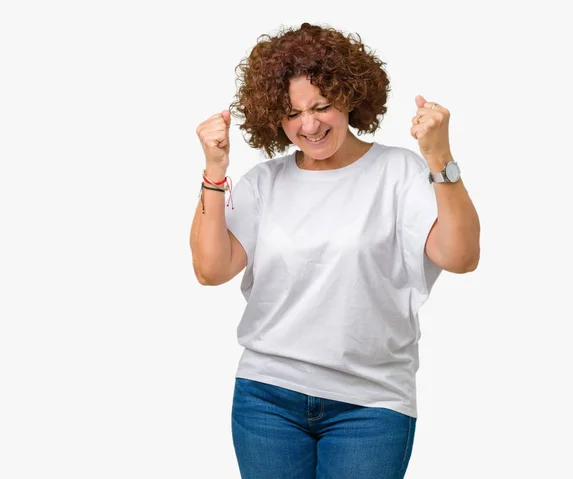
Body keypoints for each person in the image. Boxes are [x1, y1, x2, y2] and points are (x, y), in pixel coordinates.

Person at [190, 22, 480, 479]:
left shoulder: (399, 173)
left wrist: (439, 157)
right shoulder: (265, 183)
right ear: (274, 116)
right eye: (293, 113)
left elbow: (461, 257)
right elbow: (210, 269)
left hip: (371, 404)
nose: (309, 125)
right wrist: (214, 170)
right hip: (268, 398)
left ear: (350, 96)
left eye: (322, 106)